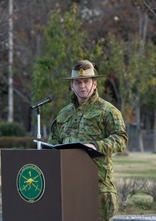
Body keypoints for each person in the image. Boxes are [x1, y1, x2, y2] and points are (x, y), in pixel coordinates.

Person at [47, 60, 128, 221]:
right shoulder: (64, 113)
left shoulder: (107, 110)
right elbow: (54, 141)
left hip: (97, 185)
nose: (82, 86)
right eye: (78, 82)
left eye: (86, 81)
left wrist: (96, 145)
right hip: (68, 185)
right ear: (72, 86)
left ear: (95, 84)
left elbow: (121, 138)